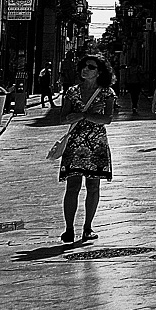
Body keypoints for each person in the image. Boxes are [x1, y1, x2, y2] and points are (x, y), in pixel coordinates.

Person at [56, 57, 120, 243]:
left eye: (91, 67)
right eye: (83, 66)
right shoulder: (72, 92)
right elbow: (63, 118)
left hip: (96, 145)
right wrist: (78, 116)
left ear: (99, 72)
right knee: (73, 186)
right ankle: (69, 228)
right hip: (75, 143)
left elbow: (107, 119)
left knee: (93, 186)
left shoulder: (107, 93)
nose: (85, 69)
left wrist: (84, 114)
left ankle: (87, 227)